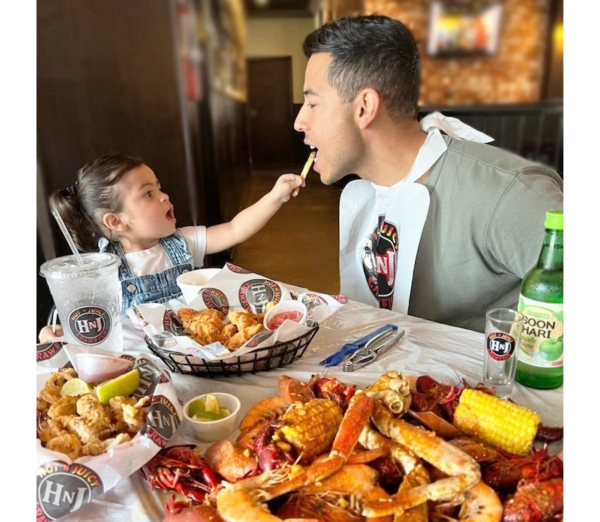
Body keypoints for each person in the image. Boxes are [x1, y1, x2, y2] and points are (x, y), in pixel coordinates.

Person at [294, 16, 564, 332]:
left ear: (364, 107)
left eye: (312, 104)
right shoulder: (364, 193)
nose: (299, 122)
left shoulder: (513, 195)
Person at [39, 154, 303, 342]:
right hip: (141, 359)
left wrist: (274, 197)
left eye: (159, 188)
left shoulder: (182, 242)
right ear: (116, 221)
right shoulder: (102, 269)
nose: (164, 196)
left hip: (197, 347)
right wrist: (57, 332)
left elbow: (235, 229)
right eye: (148, 194)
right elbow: (86, 319)